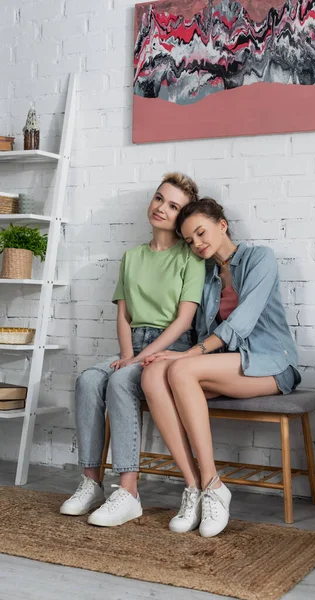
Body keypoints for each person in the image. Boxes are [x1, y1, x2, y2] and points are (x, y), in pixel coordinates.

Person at [141, 197, 301, 537]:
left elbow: (240, 324)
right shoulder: (207, 277)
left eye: (201, 233)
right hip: (229, 364)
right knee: (154, 373)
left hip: (271, 362)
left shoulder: (260, 259)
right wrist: (169, 353)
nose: (197, 244)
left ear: (222, 224)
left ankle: (214, 484)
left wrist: (187, 357)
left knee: (182, 369)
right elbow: (201, 331)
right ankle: (194, 488)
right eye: (190, 240)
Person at [60, 173, 205, 527]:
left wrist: (138, 359)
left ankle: (128, 492)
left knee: (121, 381)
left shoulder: (191, 259)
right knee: (88, 380)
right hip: (133, 346)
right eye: (159, 199)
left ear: (182, 217)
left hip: (170, 348)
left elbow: (183, 322)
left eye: (173, 206)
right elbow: (123, 314)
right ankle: (91, 481)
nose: (162, 208)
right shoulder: (132, 256)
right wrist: (128, 353)